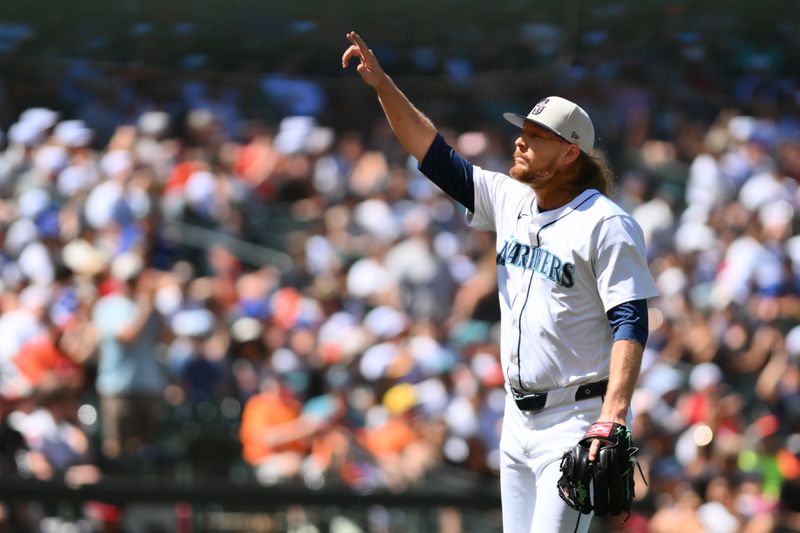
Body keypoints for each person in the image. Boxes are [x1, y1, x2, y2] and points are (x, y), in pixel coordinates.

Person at [342, 31, 659, 532]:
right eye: (523, 131)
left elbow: (630, 319)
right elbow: (432, 154)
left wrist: (614, 413)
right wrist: (383, 86)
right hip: (516, 417)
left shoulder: (605, 223)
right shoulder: (508, 198)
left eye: (536, 137)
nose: (520, 141)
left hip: (575, 420)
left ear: (571, 154)